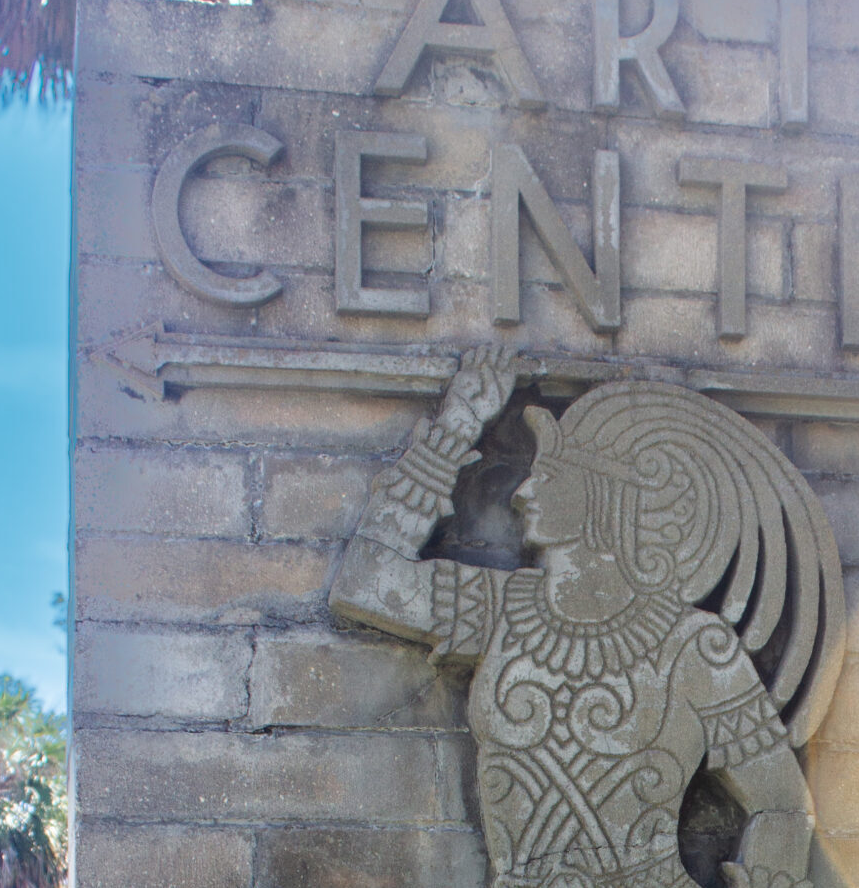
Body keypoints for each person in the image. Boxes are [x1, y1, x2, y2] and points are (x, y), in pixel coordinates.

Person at [329, 346, 830, 888]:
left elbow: (781, 804)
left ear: (605, 496)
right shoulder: (499, 609)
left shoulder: (695, 647)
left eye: (551, 475)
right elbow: (366, 584)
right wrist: (456, 428)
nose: (523, 493)